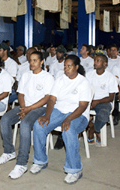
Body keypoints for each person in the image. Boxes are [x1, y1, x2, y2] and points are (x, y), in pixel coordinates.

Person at [30, 55, 92, 184]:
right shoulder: (60, 80)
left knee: (68, 130)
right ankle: (40, 161)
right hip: (60, 110)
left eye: (69, 66)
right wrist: (47, 115)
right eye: (65, 66)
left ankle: (74, 169)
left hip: (78, 114)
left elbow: (83, 106)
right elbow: (52, 99)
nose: (66, 69)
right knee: (39, 125)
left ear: (76, 67)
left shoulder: (83, 82)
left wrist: (69, 118)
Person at [0, 51, 54, 179]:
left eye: (35, 60)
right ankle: (9, 151)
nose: (31, 63)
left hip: (39, 108)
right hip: (25, 106)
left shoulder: (47, 77)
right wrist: (23, 108)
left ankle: (22, 163)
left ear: (41, 62)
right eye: (30, 60)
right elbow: (20, 94)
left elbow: (47, 98)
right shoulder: (26, 75)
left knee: (25, 124)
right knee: (5, 119)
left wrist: (29, 109)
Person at [86, 54, 118, 146]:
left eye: (98, 61)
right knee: (76, 112)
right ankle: (91, 126)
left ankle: (93, 130)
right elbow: (84, 90)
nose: (95, 63)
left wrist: (97, 101)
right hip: (90, 100)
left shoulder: (110, 77)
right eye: (95, 60)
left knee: (103, 115)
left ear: (105, 64)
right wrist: (90, 101)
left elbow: (111, 97)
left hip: (104, 102)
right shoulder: (89, 75)